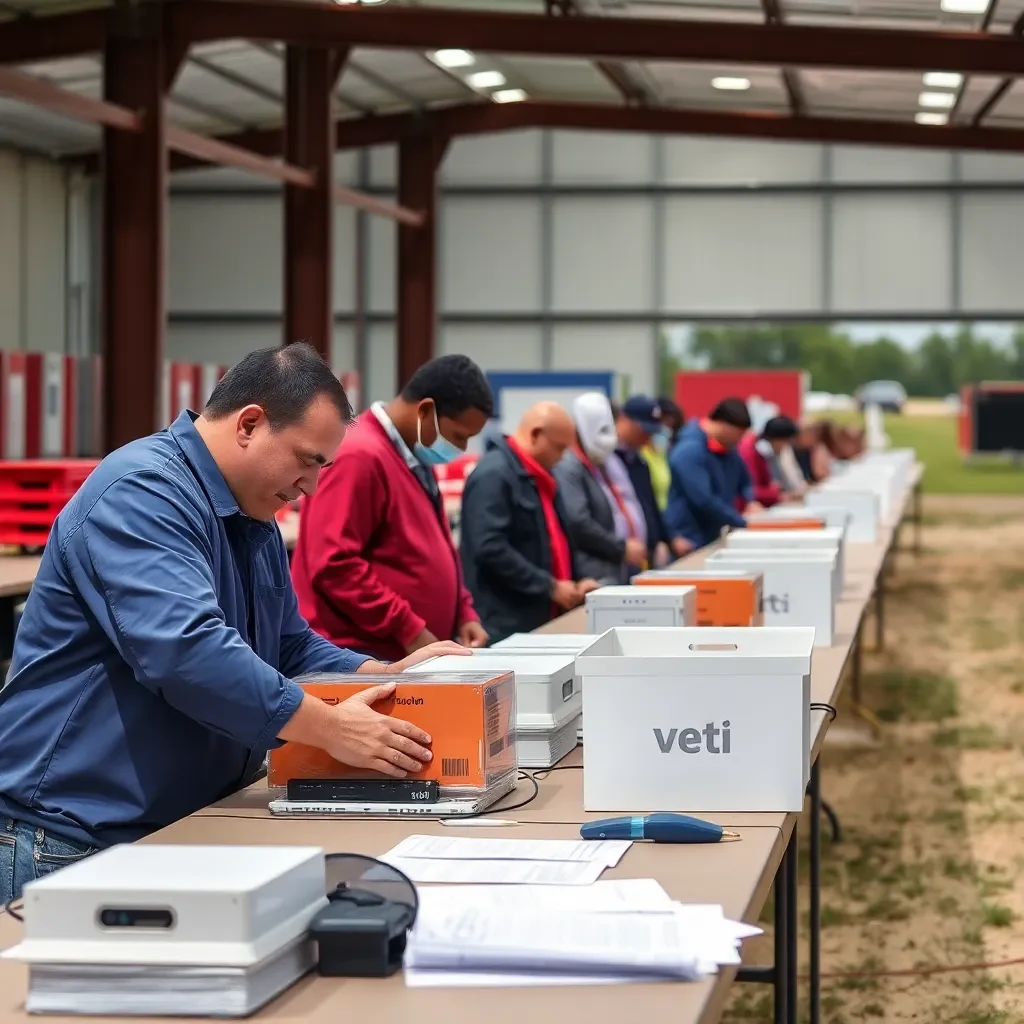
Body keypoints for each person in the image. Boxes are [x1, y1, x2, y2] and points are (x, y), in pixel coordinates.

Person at [0, 343, 466, 903]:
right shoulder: (143, 492)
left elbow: (288, 645)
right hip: (77, 836)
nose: (313, 487)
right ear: (250, 424)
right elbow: (186, 651)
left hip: (174, 823)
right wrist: (330, 726)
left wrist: (385, 673)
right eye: (307, 459)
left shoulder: (251, 511)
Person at [291, 354, 492, 664]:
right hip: (359, 658)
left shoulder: (411, 459)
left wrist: (462, 612)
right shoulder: (360, 456)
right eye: (459, 436)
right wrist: (409, 629)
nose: (462, 449)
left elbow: (435, 549)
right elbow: (333, 563)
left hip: (399, 655)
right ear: (426, 410)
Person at [459, 402, 599, 643]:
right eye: (558, 448)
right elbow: (490, 547)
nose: (562, 457)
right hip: (505, 623)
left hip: (539, 617)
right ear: (535, 434)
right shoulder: (494, 475)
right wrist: (549, 586)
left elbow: (556, 539)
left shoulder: (540, 476)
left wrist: (576, 580)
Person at [554, 392, 647, 585]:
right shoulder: (569, 466)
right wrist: (620, 548)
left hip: (616, 567)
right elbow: (578, 521)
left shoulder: (599, 463)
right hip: (592, 574)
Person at [665, 397, 763, 550]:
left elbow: (744, 480)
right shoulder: (690, 451)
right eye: (739, 434)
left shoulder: (727, 449)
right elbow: (703, 499)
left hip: (714, 534)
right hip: (689, 538)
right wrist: (742, 522)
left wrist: (750, 500)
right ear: (723, 425)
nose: (740, 440)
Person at [615, 396, 692, 562]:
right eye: (643, 430)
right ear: (624, 420)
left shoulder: (639, 462)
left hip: (645, 553)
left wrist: (669, 539)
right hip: (621, 553)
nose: (647, 436)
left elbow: (650, 505)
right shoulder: (610, 461)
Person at [738, 415, 802, 509]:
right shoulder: (749, 452)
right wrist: (775, 494)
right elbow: (749, 490)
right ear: (777, 439)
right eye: (786, 442)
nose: (785, 447)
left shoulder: (764, 452)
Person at [642, 396, 684, 512]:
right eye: (664, 423)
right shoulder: (640, 456)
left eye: (671, 426)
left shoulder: (663, 455)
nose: (666, 430)